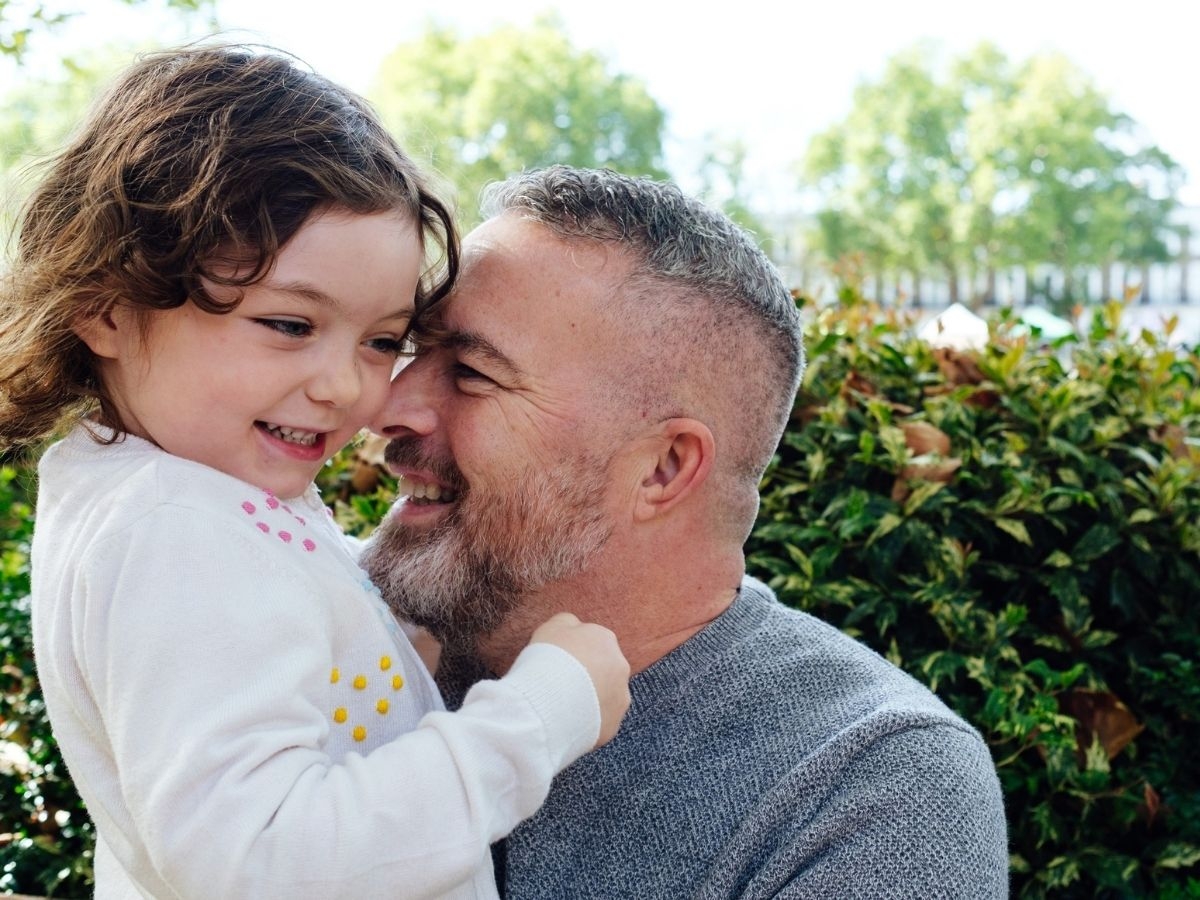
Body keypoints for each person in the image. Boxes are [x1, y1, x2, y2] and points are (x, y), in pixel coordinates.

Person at [0, 48, 629, 900]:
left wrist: (374, 655)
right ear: (108, 305)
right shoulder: (178, 528)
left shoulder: (151, 483)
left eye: (380, 341)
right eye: (290, 323)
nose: (343, 388)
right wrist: (537, 720)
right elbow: (259, 859)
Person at [362, 165, 1010, 899]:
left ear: (665, 469)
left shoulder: (871, 785)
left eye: (474, 371)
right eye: (415, 349)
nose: (386, 405)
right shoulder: (304, 639)